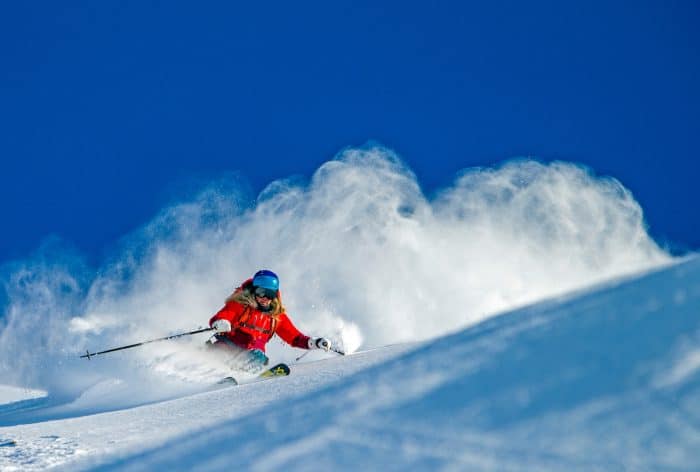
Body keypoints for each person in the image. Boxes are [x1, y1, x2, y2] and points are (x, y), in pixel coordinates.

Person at [209, 269, 331, 372]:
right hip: (227, 347)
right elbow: (223, 315)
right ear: (254, 290)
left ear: (275, 295)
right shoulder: (241, 305)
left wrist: (314, 342)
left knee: (259, 358)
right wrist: (220, 322)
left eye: (270, 294)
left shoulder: (276, 317)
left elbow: (294, 337)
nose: (265, 298)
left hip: (252, 356)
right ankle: (211, 374)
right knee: (219, 354)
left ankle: (242, 376)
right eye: (261, 292)